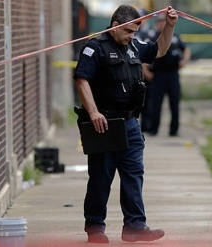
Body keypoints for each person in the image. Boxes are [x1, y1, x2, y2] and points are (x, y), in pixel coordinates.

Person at [73, 5, 178, 243]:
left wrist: (169, 25)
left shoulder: (133, 46)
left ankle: (134, 226)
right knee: (101, 177)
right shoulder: (95, 48)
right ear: (115, 26)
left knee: (134, 175)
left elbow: (160, 50)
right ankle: (95, 228)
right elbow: (82, 80)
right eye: (129, 31)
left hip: (130, 123)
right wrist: (93, 112)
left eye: (135, 31)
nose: (132, 36)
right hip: (104, 124)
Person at [144, 14, 190, 137]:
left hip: (173, 74)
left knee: (174, 103)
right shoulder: (152, 37)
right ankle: (153, 129)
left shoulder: (175, 36)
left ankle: (174, 130)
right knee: (155, 104)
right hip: (158, 74)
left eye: (163, 21)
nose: (161, 24)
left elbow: (186, 49)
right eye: (159, 22)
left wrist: (184, 61)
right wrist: (145, 71)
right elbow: (143, 55)